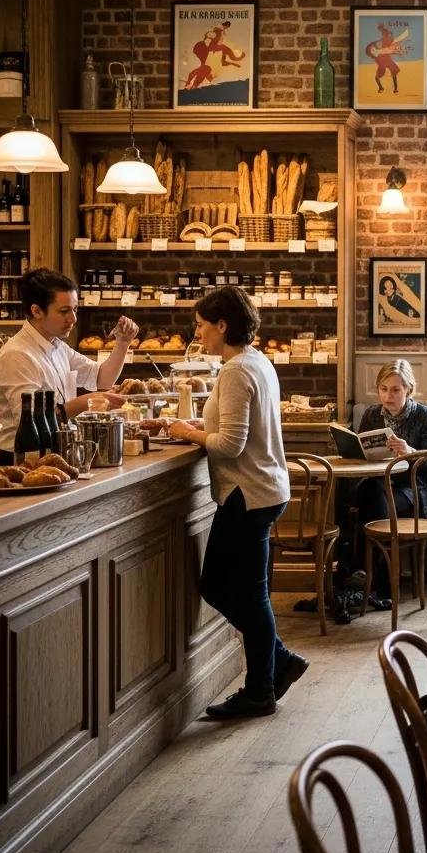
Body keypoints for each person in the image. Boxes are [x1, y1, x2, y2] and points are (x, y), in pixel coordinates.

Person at [167, 287, 303, 720]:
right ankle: (277, 665)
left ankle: (262, 688)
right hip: (265, 489)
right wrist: (197, 425)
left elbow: (229, 444)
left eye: (201, 326)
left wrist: (187, 433)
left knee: (231, 590)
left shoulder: (234, 370)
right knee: (244, 591)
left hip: (248, 494)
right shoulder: (257, 361)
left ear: (222, 325)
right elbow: (238, 426)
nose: (198, 334)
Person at [333, 360, 427, 619]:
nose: (388, 396)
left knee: (368, 499)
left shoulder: (425, 416)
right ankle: (371, 580)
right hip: (376, 486)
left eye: (395, 390)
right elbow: (360, 453)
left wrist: (410, 451)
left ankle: (358, 576)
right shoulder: (372, 414)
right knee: (357, 493)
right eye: (383, 389)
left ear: (409, 390)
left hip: (412, 491)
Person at [0, 268, 135, 463]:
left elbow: (101, 378)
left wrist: (123, 343)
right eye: (64, 311)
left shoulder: (57, 346)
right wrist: (86, 402)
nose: (73, 319)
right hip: (23, 460)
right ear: (36, 311)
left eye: (75, 310)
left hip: (56, 453)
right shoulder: (16, 355)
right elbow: (32, 420)